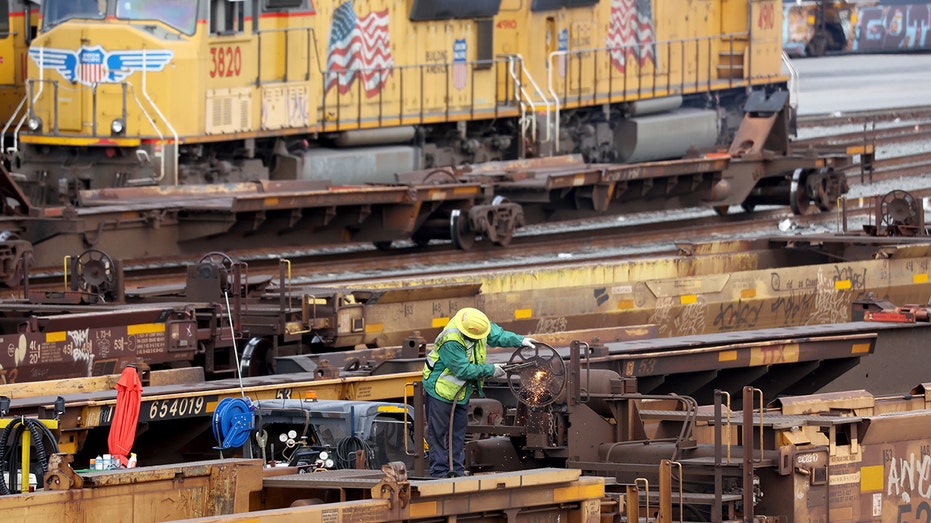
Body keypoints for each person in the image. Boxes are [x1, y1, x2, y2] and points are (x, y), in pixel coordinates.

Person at [421, 307, 537, 478]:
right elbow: (462, 370)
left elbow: (498, 335)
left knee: (457, 433)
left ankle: (457, 471)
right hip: (440, 389)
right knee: (439, 434)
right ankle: (439, 473)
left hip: (460, 392)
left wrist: (520, 340)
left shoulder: (477, 324)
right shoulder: (451, 340)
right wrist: (491, 370)